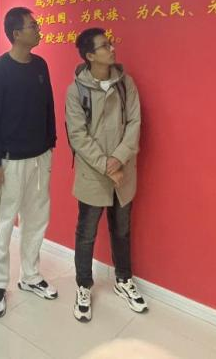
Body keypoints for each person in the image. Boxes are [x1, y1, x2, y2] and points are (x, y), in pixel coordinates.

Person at [0, 7, 58, 318]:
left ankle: (31, 276)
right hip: (9, 162)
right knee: (3, 224)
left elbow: (49, 106)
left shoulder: (40, 65)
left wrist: (51, 144)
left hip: (40, 157)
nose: (38, 29)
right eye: (32, 25)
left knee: (36, 219)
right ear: (16, 34)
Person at [66, 28, 145, 322]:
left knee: (122, 229)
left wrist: (119, 159)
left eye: (110, 43)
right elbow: (78, 136)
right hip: (94, 173)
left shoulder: (126, 83)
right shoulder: (76, 90)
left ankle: (123, 279)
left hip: (123, 171)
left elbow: (135, 122)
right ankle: (83, 285)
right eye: (104, 46)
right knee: (86, 233)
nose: (111, 48)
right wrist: (106, 165)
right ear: (89, 55)